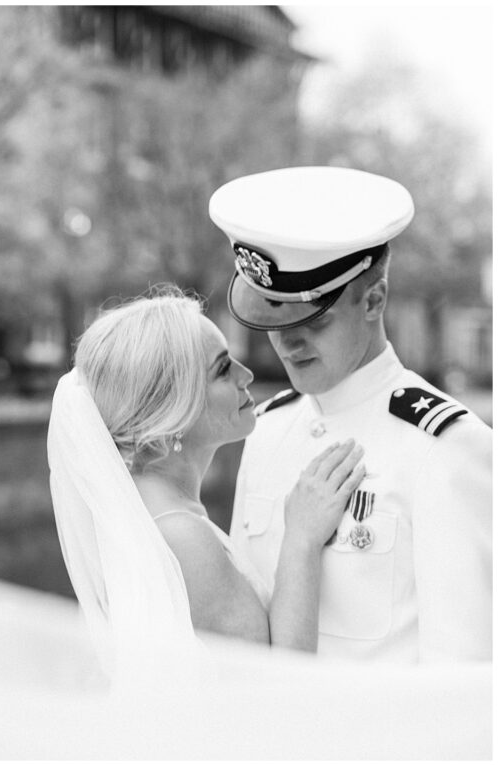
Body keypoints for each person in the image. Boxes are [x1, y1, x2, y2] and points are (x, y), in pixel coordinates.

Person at [210, 166, 492, 662]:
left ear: (373, 301)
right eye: (274, 313)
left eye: (312, 319)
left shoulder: (445, 447)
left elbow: (462, 677)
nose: (287, 340)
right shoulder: (267, 429)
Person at [48, 288, 366, 690]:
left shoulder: (146, 515)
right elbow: (276, 689)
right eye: (221, 369)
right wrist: (301, 541)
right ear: (171, 408)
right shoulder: (182, 537)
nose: (245, 375)